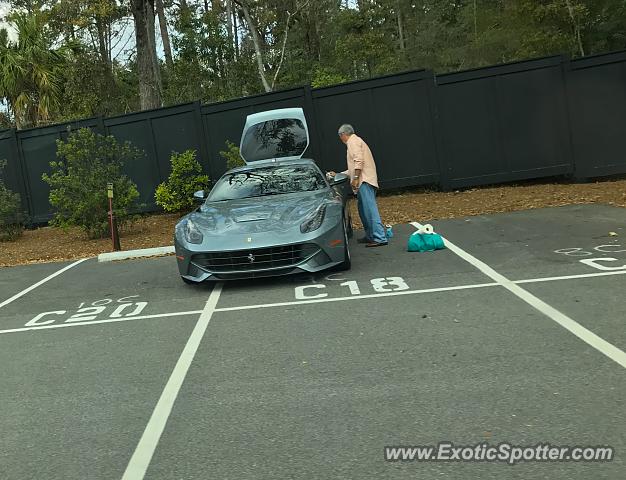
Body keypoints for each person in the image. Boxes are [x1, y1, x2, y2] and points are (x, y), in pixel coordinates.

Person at [327, 124, 387, 247]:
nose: (341, 139)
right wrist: (339, 174)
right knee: (363, 209)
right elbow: (353, 168)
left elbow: (358, 161)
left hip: (363, 180)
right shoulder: (356, 141)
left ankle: (379, 237)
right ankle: (371, 235)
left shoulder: (352, 142)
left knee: (369, 209)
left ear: (343, 134)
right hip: (364, 180)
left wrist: (355, 178)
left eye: (340, 136)